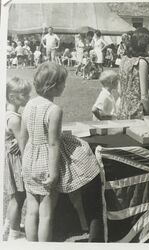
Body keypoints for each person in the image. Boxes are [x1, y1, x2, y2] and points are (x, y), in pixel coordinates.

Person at [20, 62, 102, 242]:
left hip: (29, 161)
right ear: (53, 86)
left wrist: (24, 163)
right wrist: (54, 172)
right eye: (63, 83)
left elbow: (23, 137)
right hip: (46, 164)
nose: (65, 86)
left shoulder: (29, 105)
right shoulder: (54, 110)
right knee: (46, 215)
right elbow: (53, 144)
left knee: (32, 211)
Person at [3, 77, 31, 241]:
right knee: (19, 198)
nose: (28, 97)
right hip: (17, 162)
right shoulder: (15, 119)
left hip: (9, 161)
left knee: (15, 197)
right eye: (24, 94)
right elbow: (23, 145)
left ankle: (7, 227)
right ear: (13, 97)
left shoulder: (7, 114)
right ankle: (14, 234)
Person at [116, 27, 149, 119]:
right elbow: (144, 97)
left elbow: (119, 91)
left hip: (122, 111)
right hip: (137, 114)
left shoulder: (123, 59)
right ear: (144, 44)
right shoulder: (141, 62)